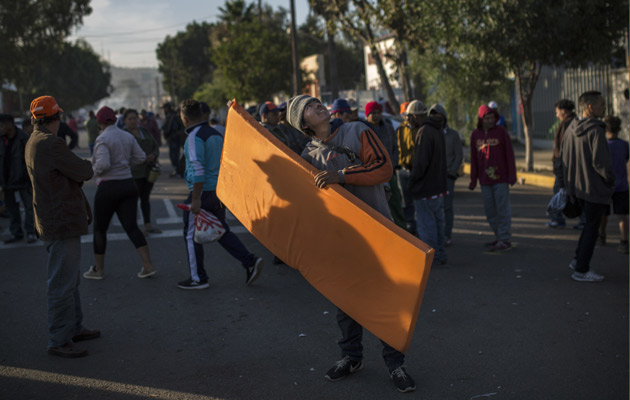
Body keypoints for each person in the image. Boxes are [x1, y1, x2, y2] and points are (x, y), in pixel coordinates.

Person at [286, 94, 416, 393]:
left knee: (385, 303)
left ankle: (396, 363)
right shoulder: (307, 157)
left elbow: (383, 168)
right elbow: (312, 207)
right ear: (302, 122)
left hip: (378, 233)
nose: (317, 105)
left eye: (317, 101)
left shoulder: (357, 130)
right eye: (308, 106)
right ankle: (351, 357)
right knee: (345, 303)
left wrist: (342, 176)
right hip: (341, 243)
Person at [25, 95, 100, 358]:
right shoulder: (51, 144)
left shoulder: (34, 140)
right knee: (62, 283)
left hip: (51, 218)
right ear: (55, 118)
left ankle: (73, 328)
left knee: (69, 280)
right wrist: (88, 164)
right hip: (61, 220)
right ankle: (59, 338)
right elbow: (82, 171)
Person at [178, 99, 263, 290]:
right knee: (221, 229)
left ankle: (198, 278)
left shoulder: (194, 137)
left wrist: (196, 199)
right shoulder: (215, 134)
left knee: (191, 234)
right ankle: (249, 261)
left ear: (184, 119)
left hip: (203, 192)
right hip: (219, 190)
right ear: (202, 115)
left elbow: (198, 170)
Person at [83, 106, 157, 280]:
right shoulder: (127, 136)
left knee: (100, 229)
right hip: (128, 184)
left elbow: (103, 165)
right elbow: (140, 158)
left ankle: (98, 270)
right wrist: (124, 163)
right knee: (131, 227)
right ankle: (148, 265)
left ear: (100, 122)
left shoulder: (103, 139)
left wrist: (90, 173)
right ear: (116, 120)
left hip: (108, 187)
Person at [558, 91, 615, 282]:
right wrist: (610, 180)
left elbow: (563, 160)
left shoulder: (570, 128)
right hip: (594, 190)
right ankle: (582, 270)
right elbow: (602, 164)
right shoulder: (595, 130)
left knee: (587, 226)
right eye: (601, 104)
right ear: (590, 107)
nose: (604, 108)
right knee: (592, 228)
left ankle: (577, 260)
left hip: (578, 189)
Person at [469, 104, 517, 252]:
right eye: (487, 118)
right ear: (481, 119)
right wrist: (473, 179)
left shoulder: (501, 132)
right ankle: (499, 237)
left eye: (492, 118)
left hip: (501, 179)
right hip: (485, 180)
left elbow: (509, 155)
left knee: (502, 210)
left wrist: (512, 175)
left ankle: (505, 239)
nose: (490, 121)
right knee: (490, 211)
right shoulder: (475, 135)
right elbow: (474, 159)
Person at [409, 104, 448, 265]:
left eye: (409, 117)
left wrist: (412, 183)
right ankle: (439, 254)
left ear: (416, 116)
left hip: (425, 188)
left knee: (426, 226)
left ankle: (431, 259)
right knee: (438, 223)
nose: (408, 120)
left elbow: (420, 164)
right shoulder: (437, 130)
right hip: (438, 187)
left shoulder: (424, 132)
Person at [364, 101, 406, 229]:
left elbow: (395, 147)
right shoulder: (362, 129)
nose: (376, 116)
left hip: (389, 172)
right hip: (371, 175)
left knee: (395, 203)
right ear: (367, 115)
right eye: (373, 113)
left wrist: (392, 164)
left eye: (378, 113)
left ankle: (402, 230)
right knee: (375, 206)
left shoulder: (388, 128)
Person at [0, 114, 37, 244]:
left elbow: (32, 160)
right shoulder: (1, 139)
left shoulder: (23, 138)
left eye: (2, 125)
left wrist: (29, 177)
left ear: (10, 124)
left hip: (23, 181)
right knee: (12, 209)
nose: (0, 128)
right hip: (7, 182)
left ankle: (31, 232)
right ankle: (16, 233)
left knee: (29, 207)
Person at [124, 109, 162, 235]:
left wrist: (154, 155)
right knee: (133, 201)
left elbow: (155, 146)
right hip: (134, 172)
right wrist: (141, 159)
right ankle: (134, 228)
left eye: (135, 118)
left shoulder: (143, 131)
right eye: (130, 119)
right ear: (125, 121)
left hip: (148, 171)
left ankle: (148, 225)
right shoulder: (124, 135)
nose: (133, 121)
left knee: (145, 199)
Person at [598, 115, 628, 254]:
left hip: (606, 184)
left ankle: (602, 236)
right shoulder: (624, 145)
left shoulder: (603, 145)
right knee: (622, 215)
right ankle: (624, 241)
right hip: (622, 185)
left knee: (604, 214)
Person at [397, 100, 427, 235]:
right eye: (405, 115)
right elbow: (396, 148)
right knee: (406, 202)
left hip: (418, 170)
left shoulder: (421, 129)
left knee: (420, 201)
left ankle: (422, 228)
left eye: (408, 115)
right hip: (403, 170)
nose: (407, 117)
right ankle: (410, 229)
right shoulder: (400, 129)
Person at [436, 106, 464, 246]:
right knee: (434, 207)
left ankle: (447, 234)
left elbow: (458, 155)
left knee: (447, 207)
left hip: (448, 177)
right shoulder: (430, 133)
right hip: (433, 178)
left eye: (439, 117)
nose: (437, 120)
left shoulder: (453, 135)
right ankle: (437, 234)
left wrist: (452, 172)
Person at [548, 99, 577, 228]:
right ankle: (583, 220)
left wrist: (558, 165)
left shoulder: (566, 125)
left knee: (558, 191)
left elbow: (561, 148)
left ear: (563, 111)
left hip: (564, 166)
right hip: (570, 165)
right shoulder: (575, 122)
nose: (556, 115)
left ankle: (557, 219)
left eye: (557, 112)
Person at [161, 102, 185, 177]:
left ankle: (179, 170)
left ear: (167, 108)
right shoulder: (170, 115)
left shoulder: (172, 116)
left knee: (174, 155)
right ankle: (178, 170)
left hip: (174, 138)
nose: (163, 110)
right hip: (173, 138)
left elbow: (172, 128)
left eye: (164, 108)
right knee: (174, 155)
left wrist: (169, 134)